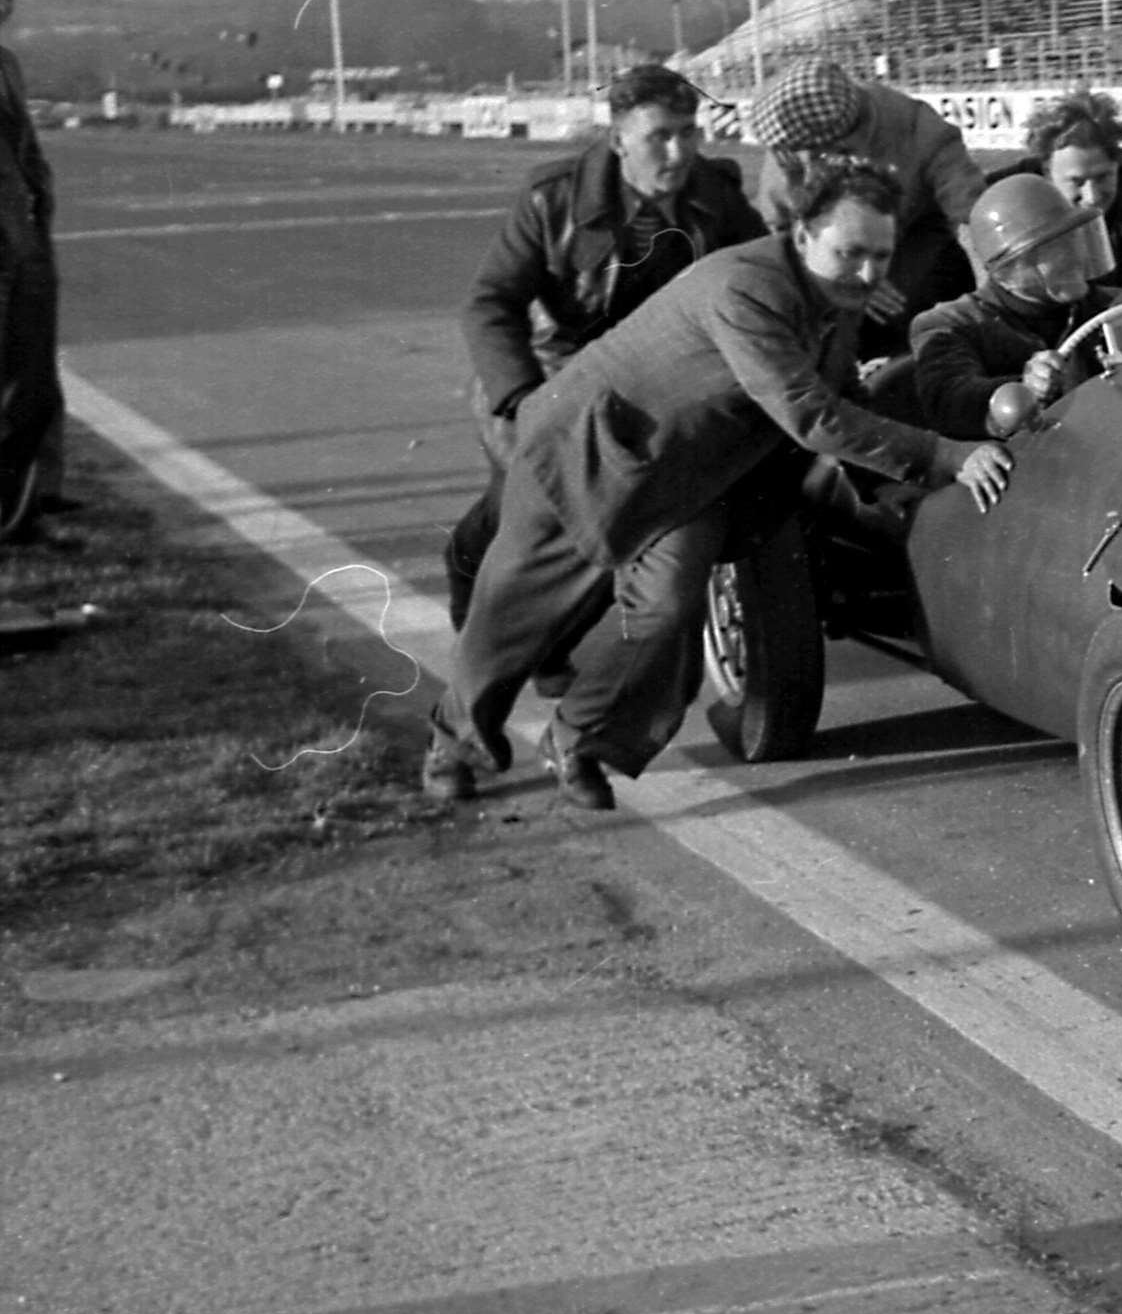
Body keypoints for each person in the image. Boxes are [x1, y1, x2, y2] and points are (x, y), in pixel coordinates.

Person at [424, 164, 1014, 810]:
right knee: (516, 612)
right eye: (851, 253)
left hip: (687, 479)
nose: (869, 274)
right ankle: (456, 746)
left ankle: (578, 740)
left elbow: (842, 389)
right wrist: (943, 454)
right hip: (583, 452)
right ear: (801, 235)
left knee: (666, 611)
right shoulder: (746, 288)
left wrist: (913, 486)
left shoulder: (832, 297)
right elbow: (810, 414)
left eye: (880, 256)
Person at [444, 62, 765, 625]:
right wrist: (522, 401)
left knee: (632, 515)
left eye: (688, 133)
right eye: (658, 137)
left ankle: (568, 639)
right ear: (618, 141)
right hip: (554, 374)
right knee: (532, 511)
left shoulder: (719, 195)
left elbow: (765, 276)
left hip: (658, 379)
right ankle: (474, 570)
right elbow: (490, 302)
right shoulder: (552, 199)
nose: (678, 153)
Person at [741, 58, 987, 356]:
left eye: (839, 152)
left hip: (913, 231)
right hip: (831, 242)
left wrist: (990, 296)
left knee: (905, 302)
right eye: (812, 157)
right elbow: (776, 232)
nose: (825, 163)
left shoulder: (919, 129)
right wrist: (843, 273)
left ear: (858, 130)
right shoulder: (791, 151)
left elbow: (972, 215)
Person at [910, 173, 1116, 442]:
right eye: (1056, 249)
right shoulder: (951, 324)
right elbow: (951, 398)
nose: (1075, 256)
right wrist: (1022, 389)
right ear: (1011, 267)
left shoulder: (1116, 308)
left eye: (1074, 239)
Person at [988, 88, 1122, 296]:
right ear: (1047, 173)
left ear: (1118, 165)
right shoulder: (1005, 195)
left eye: (1103, 177)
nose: (1093, 196)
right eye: (1077, 182)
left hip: (1113, 314)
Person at [0, 0, 65, 543]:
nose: (5, 6)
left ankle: (27, 506)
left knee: (34, 383)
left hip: (25, 237)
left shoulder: (8, 63)